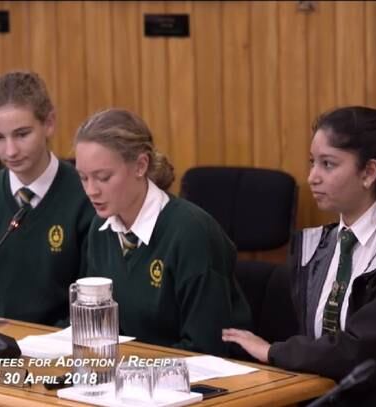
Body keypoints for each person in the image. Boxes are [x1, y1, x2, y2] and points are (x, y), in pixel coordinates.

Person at [223, 106, 376, 405]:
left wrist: (273, 351)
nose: (312, 177)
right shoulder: (321, 244)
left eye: (328, 164)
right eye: (313, 162)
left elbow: (362, 351)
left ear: (369, 173)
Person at [74, 108, 251, 357]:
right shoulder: (100, 229)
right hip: (131, 377)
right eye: (83, 178)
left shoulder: (191, 232)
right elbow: (100, 328)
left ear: (140, 165)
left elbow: (206, 347)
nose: (91, 190)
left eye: (103, 177)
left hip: (203, 381)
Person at [0, 71, 94, 326]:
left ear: (49, 123)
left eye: (22, 134)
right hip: (0, 347)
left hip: (64, 346)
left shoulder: (87, 195)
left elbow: (91, 300)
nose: (10, 151)